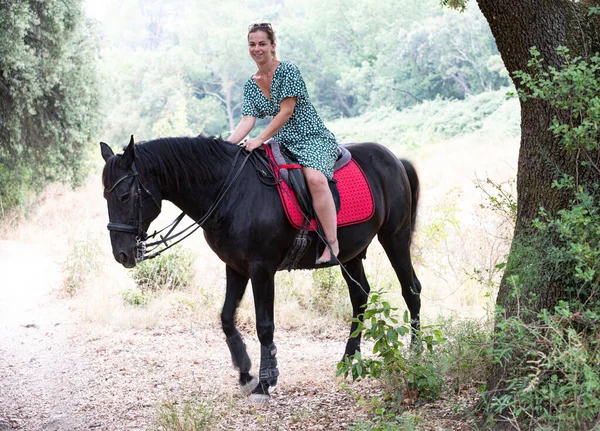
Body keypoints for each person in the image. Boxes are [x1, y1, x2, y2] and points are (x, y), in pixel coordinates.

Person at [228, 23, 339, 264]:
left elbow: (286, 111)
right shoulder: (250, 85)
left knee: (316, 179)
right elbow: (247, 121)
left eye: (262, 44)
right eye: (252, 44)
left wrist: (259, 139)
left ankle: (332, 243)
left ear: (273, 46)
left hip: (312, 137)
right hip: (284, 142)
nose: (257, 49)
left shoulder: (287, 70)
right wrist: (224, 146)